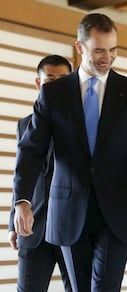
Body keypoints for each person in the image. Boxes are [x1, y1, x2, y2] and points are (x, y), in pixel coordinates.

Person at [12, 13, 127, 292]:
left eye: (113, 49)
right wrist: (22, 201)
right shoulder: (53, 94)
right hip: (68, 210)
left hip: (116, 213)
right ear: (79, 47)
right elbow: (31, 151)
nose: (107, 58)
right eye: (99, 50)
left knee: (104, 287)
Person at [8, 55, 72, 292]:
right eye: (50, 80)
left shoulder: (85, 123)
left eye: (63, 80)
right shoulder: (25, 125)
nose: (56, 87)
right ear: (38, 83)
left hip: (72, 227)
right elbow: (22, 173)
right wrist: (12, 222)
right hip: (32, 227)